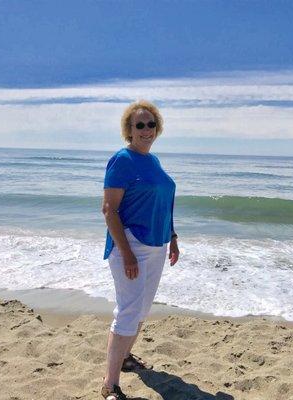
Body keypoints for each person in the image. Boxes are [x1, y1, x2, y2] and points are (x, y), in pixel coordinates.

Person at [100, 100, 180, 400]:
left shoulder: (154, 161)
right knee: (128, 312)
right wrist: (128, 253)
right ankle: (110, 384)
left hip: (156, 245)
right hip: (130, 245)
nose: (147, 130)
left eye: (151, 124)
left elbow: (162, 203)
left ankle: (125, 357)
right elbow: (109, 210)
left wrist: (172, 236)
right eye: (140, 125)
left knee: (141, 310)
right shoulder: (122, 160)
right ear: (129, 130)